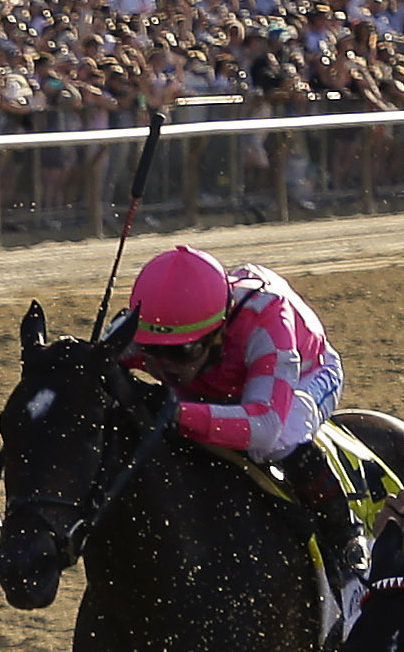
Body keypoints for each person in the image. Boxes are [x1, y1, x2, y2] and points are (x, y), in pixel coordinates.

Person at [120, 243, 367, 615]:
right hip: (219, 379)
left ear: (218, 332)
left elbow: (265, 426)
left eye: (182, 352)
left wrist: (177, 414)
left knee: (280, 439)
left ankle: (346, 539)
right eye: (153, 351)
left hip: (307, 372)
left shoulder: (267, 319)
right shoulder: (148, 328)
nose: (165, 366)